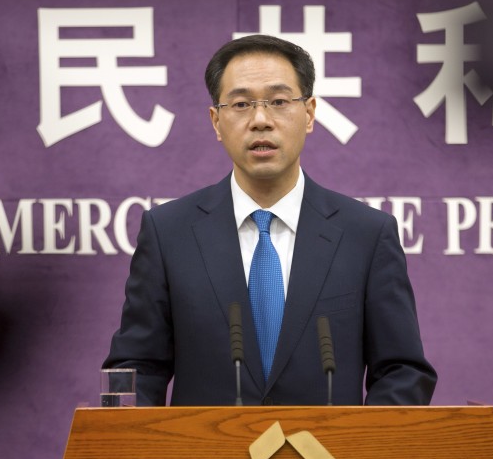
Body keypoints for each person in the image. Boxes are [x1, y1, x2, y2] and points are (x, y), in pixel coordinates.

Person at [103, 34, 436, 406]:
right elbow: (134, 368)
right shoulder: (169, 233)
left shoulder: (366, 235)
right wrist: (130, 449)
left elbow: (403, 371)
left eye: (279, 102)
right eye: (241, 104)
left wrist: (357, 454)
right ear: (216, 121)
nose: (261, 120)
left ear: (309, 114)